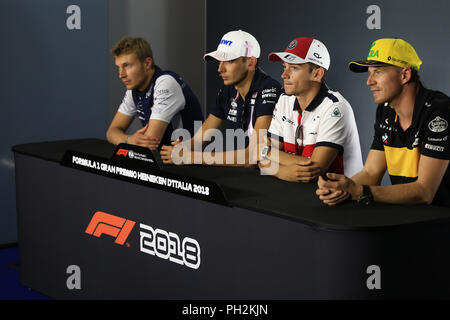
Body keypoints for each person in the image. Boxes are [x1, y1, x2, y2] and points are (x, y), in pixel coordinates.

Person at [316, 38, 450, 206]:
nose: (369, 81)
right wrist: (340, 187)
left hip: (442, 221)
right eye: (369, 73)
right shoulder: (386, 111)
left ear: (405, 75)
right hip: (409, 218)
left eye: (378, 72)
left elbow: (424, 192)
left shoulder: (439, 111)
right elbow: (371, 173)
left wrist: (360, 191)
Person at [160, 30, 282, 166]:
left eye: (229, 61)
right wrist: (184, 147)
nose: (220, 68)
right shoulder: (228, 88)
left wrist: (190, 157)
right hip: (240, 173)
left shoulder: (270, 89)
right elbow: (201, 138)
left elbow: (253, 155)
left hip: (266, 175)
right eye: (220, 61)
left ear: (251, 63)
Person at [258, 37, 363, 182]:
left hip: (341, 198)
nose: (284, 75)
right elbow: (261, 155)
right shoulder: (284, 100)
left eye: (294, 68)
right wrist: (281, 170)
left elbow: (314, 170)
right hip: (300, 193)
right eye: (284, 67)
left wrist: (272, 160)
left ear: (317, 74)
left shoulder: (336, 107)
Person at [106, 37, 204, 150]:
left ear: (147, 64)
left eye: (127, 65)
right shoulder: (133, 90)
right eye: (119, 67)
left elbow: (150, 142)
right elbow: (111, 132)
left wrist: (126, 140)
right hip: (164, 159)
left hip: (190, 161)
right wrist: (129, 140)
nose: (121, 74)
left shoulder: (166, 82)